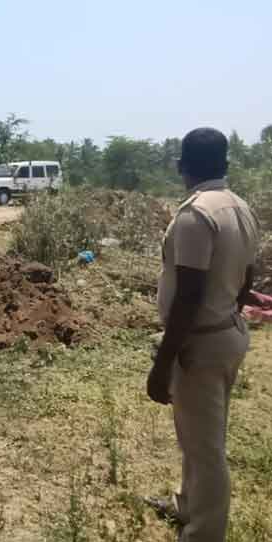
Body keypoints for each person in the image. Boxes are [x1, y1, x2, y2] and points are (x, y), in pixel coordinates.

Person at [145, 127, 259, 541]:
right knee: (199, 434)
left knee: (206, 450)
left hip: (202, 345)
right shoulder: (239, 207)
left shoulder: (196, 215)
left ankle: (204, 532)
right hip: (229, 331)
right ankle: (188, 505)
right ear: (226, 164)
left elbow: (189, 297)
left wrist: (163, 364)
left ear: (182, 166)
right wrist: (231, 304)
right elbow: (249, 275)